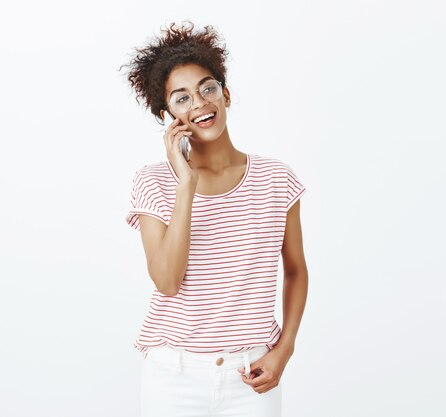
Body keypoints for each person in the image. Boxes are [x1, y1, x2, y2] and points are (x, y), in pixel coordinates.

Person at [119, 21, 308, 417]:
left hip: (252, 373)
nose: (200, 104)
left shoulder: (276, 179)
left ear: (226, 93)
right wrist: (186, 184)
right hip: (174, 378)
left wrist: (284, 350)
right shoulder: (153, 182)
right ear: (167, 115)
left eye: (207, 88)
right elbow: (167, 281)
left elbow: (294, 271)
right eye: (182, 98)